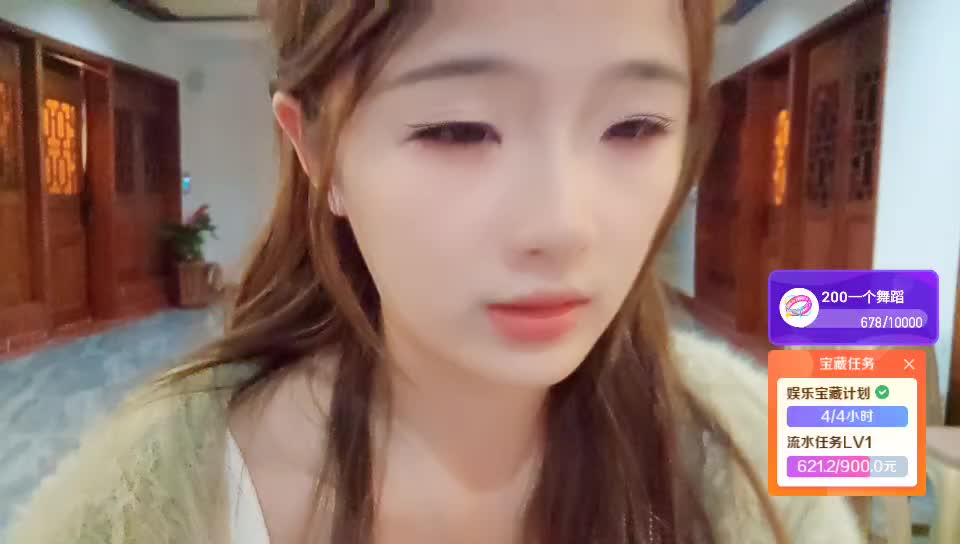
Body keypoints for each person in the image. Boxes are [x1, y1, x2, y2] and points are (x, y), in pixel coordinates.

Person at [6, 1, 864, 543]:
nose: (562, 227)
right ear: (317, 151)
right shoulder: (148, 502)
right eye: (458, 130)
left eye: (634, 126)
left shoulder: (756, 462)